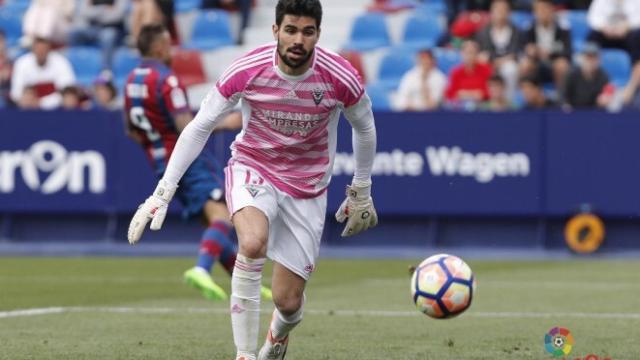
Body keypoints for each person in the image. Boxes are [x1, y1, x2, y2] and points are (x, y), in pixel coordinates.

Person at [126, 1, 378, 359]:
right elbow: (199, 127)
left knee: (288, 303)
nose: (298, 40)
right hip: (253, 167)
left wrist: (362, 190)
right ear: (275, 30)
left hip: (307, 188)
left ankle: (276, 338)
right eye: (290, 30)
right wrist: (163, 192)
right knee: (253, 242)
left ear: (318, 36)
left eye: (307, 32)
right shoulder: (247, 69)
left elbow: (365, 129)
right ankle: (244, 354)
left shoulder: (340, 76)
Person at [123, 24, 272, 304]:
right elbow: (185, 126)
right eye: (169, 44)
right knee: (223, 216)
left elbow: (131, 130)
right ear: (158, 48)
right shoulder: (166, 80)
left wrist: (156, 145)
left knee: (214, 222)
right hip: (187, 161)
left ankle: (246, 285)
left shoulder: (132, 79)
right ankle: (201, 269)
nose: (172, 50)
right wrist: (227, 122)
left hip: (160, 164)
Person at [519, 0, 572, 92]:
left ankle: (562, 98)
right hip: (536, 63)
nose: (542, 12)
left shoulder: (563, 27)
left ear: (552, 10)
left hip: (554, 62)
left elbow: (568, 52)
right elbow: (523, 49)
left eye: (545, 9)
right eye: (538, 9)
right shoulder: (529, 28)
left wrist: (550, 54)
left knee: (562, 65)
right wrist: (530, 51)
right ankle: (527, 97)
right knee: (525, 65)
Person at [10, 36, 76, 110]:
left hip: (55, 108)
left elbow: (67, 90)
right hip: (28, 108)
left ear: (49, 50)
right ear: (33, 50)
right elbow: (16, 92)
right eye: (38, 49)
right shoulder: (22, 63)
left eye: (43, 50)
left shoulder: (61, 62)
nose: (41, 52)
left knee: (69, 99)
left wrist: (42, 103)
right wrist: (27, 100)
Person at [475, 0, 520, 97]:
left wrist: (498, 62)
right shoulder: (483, 32)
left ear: (509, 12)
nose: (500, 12)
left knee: (510, 69)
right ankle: (488, 100)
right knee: (481, 63)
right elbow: (483, 52)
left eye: (503, 9)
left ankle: (508, 101)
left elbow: (514, 53)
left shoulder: (516, 31)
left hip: (508, 63)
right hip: (489, 64)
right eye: (497, 9)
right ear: (491, 12)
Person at [68, 0, 128, 69]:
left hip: (113, 29)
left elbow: (118, 15)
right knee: (74, 33)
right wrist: (104, 9)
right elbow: (84, 12)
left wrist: (95, 12)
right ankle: (73, 69)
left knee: (108, 35)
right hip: (93, 29)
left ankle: (106, 71)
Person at [444, 39, 493, 109]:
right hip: (460, 107)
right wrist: (474, 94)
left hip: (482, 106)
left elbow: (490, 92)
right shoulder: (455, 72)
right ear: (461, 54)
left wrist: (464, 94)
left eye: (472, 53)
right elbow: (450, 93)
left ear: (477, 54)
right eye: (466, 53)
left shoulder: (486, 70)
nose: (469, 56)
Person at [561, 42, 611, 110]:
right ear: (582, 58)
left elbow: (608, 94)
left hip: (594, 114)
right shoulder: (572, 75)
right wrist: (566, 105)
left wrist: (605, 100)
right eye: (588, 57)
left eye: (594, 57)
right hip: (574, 113)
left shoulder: (604, 76)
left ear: (599, 60)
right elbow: (563, 96)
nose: (591, 61)